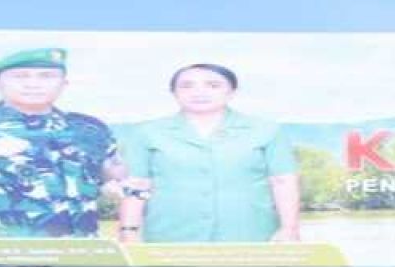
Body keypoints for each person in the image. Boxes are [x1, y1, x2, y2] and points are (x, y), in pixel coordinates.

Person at [118, 63, 301, 243]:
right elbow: (137, 185)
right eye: (187, 86)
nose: (199, 92)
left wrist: (289, 228)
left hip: (249, 233)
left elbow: (283, 181)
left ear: (232, 91)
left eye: (213, 85)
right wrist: (129, 231)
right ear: (173, 92)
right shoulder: (146, 132)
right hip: (170, 234)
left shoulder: (266, 130)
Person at [0, 48, 125, 237]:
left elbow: (115, 178)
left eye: (46, 76)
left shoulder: (90, 130)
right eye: (20, 76)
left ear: (64, 84)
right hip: (4, 251)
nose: (33, 84)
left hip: (79, 252)